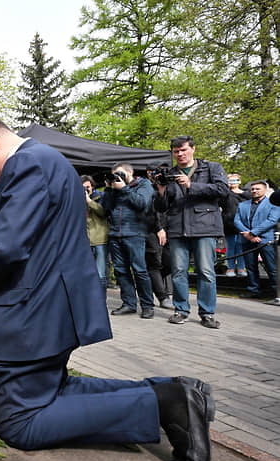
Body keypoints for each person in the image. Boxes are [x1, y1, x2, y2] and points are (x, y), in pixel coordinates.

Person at [0, 115, 215, 461]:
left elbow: (5, 247)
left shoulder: (27, 163)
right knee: (54, 389)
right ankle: (174, 391)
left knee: (20, 423)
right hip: (46, 308)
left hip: (33, 313)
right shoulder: (50, 161)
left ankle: (165, 405)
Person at [153, 136, 229, 329]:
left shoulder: (211, 168)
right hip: (178, 228)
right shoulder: (169, 174)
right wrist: (161, 190)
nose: (180, 154)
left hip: (205, 227)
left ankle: (207, 313)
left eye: (183, 150)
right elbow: (161, 207)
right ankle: (181, 310)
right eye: (176, 151)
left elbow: (222, 190)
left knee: (205, 271)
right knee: (178, 272)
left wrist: (191, 185)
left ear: (193, 149)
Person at [101, 163, 155, 318]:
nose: (117, 177)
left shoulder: (143, 184)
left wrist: (124, 188)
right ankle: (129, 304)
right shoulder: (114, 188)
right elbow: (105, 209)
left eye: (120, 174)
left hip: (134, 233)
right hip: (115, 234)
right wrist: (109, 189)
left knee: (139, 270)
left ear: (130, 172)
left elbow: (142, 204)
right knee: (121, 271)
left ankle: (147, 305)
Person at [235, 180, 279, 299]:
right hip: (247, 240)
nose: (254, 191)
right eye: (253, 189)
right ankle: (253, 290)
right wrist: (249, 236)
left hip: (265, 241)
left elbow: (272, 220)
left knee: (272, 267)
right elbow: (237, 221)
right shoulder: (243, 205)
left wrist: (253, 233)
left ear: (265, 190)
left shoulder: (274, 204)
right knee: (250, 267)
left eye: (257, 189)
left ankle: (276, 291)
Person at [80, 175, 109, 293]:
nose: (86, 190)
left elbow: (103, 212)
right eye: (83, 188)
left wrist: (89, 201)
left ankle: (102, 301)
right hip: (85, 241)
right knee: (84, 273)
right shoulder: (77, 198)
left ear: (92, 186)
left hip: (99, 240)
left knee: (100, 274)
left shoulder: (100, 196)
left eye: (88, 187)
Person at [221, 173, 251, 276]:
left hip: (244, 223)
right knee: (231, 246)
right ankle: (230, 268)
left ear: (240, 181)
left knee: (241, 246)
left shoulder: (247, 194)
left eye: (235, 180)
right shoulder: (225, 194)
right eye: (231, 181)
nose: (233, 183)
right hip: (229, 223)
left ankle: (241, 268)